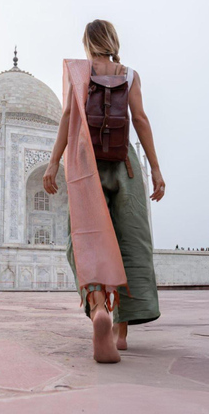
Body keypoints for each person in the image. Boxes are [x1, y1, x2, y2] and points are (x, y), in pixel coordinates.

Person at [44, 19, 165, 363]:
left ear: (87, 43)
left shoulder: (77, 71)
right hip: (124, 164)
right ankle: (121, 330)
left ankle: (99, 307)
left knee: (86, 239)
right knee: (130, 241)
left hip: (86, 164)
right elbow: (140, 119)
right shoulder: (129, 74)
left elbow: (68, 115)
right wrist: (155, 168)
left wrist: (54, 163)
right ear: (113, 40)